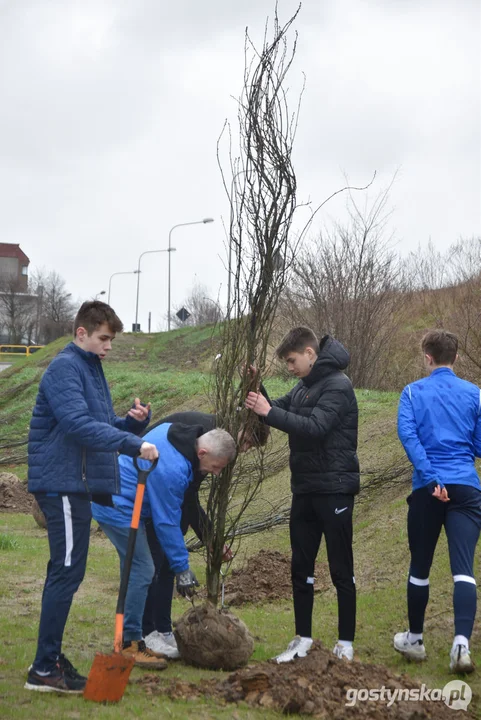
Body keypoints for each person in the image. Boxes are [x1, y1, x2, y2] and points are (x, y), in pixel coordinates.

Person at [25, 301, 158, 694]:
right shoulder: (66, 367)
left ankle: (48, 659)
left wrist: (129, 424)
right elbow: (77, 426)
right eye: (103, 338)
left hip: (75, 482)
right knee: (67, 572)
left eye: (111, 339)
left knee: (66, 571)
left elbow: (97, 426)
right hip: (62, 483)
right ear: (81, 333)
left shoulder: (89, 368)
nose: (109, 346)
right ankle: (44, 668)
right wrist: (133, 444)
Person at [245, 327, 359, 663]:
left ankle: (345, 643)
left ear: (311, 353)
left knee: (340, 569)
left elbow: (315, 428)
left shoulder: (338, 385)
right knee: (300, 567)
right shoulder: (304, 387)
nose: (290, 368)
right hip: (305, 489)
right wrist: (256, 388)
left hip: (335, 489)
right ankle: (302, 639)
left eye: (293, 361)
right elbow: (277, 407)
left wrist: (268, 411)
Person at [91, 423, 237, 668]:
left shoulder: (176, 432)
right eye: (216, 467)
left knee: (138, 570)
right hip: (119, 507)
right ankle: (130, 644)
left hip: (124, 499)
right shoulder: (172, 469)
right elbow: (167, 521)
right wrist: (182, 568)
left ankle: (133, 639)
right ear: (202, 453)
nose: (216, 473)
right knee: (142, 570)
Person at [141, 411, 270, 658]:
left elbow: (187, 499)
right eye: (247, 442)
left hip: (165, 494)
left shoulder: (212, 441)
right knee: (154, 565)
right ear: (240, 425)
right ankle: (147, 632)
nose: (244, 449)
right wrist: (209, 540)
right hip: (148, 493)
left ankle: (162, 628)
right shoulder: (203, 439)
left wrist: (210, 539)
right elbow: (185, 499)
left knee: (167, 565)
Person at [394, 329, 481, 674]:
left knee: (420, 567)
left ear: (427, 358)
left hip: (428, 489)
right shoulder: (475, 393)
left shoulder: (412, 392)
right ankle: (461, 645)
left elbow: (408, 436)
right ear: (456, 358)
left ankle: (415, 639)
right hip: (466, 488)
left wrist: (431, 478)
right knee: (464, 570)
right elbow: (478, 445)